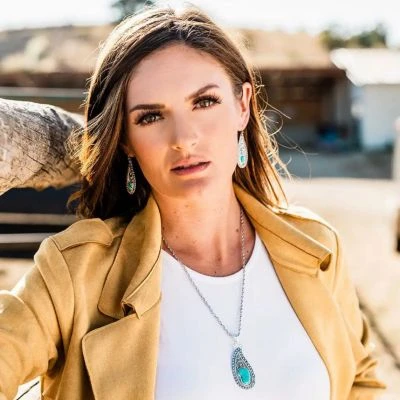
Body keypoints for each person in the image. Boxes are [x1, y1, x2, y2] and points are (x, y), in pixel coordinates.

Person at [0, 5, 387, 400]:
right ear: (126, 140)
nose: (184, 139)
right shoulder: (75, 272)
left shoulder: (316, 245)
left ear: (242, 106)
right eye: (151, 117)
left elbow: (360, 379)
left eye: (204, 102)